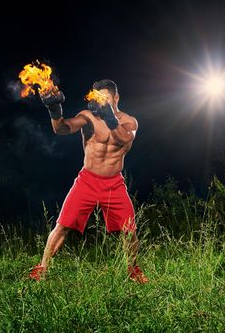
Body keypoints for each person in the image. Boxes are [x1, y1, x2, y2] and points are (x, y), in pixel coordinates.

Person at [28, 79, 148, 284]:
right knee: (62, 225)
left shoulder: (129, 121)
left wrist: (110, 117)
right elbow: (62, 128)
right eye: (98, 98)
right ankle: (42, 268)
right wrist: (54, 110)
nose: (101, 102)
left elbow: (123, 139)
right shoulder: (88, 117)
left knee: (129, 229)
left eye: (106, 98)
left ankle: (133, 270)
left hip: (114, 183)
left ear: (116, 98)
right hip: (88, 180)